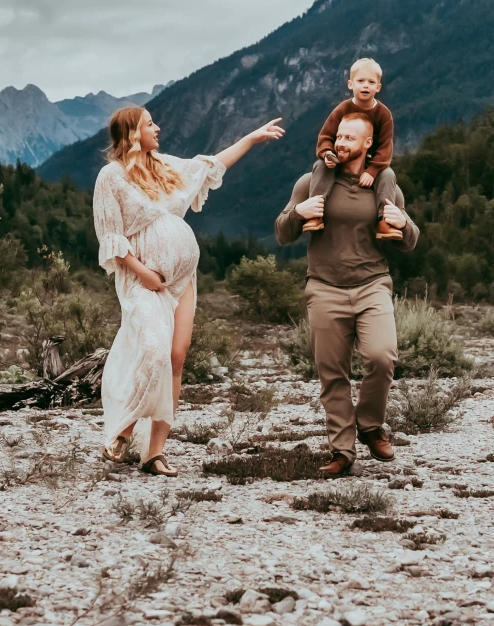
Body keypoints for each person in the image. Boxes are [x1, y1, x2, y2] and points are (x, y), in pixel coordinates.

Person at [95, 106, 283, 475]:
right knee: (153, 350)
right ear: (133, 132)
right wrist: (144, 273)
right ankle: (123, 429)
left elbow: (210, 165)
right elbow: (110, 237)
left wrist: (251, 138)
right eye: (150, 124)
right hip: (143, 280)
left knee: (177, 357)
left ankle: (155, 453)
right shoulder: (112, 177)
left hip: (182, 280)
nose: (158, 128)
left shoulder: (164, 167)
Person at [276, 110, 419, 477]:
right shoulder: (311, 181)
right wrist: (299, 212)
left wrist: (404, 225)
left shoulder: (385, 184)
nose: (340, 144)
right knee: (332, 374)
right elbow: (282, 232)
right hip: (324, 288)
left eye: (349, 139)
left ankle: (370, 426)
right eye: (338, 137)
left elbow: (410, 241)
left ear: (368, 144)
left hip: (372, 284)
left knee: (382, 357)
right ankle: (342, 452)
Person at [303, 57, 403, 240]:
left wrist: (372, 171)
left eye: (371, 82)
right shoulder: (342, 109)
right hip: (340, 158)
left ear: (378, 87)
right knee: (320, 166)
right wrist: (327, 154)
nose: (365, 86)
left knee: (388, 175)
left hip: (371, 163)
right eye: (361, 81)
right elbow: (325, 137)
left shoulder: (384, 114)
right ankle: (315, 214)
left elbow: (385, 147)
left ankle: (385, 222)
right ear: (351, 84)